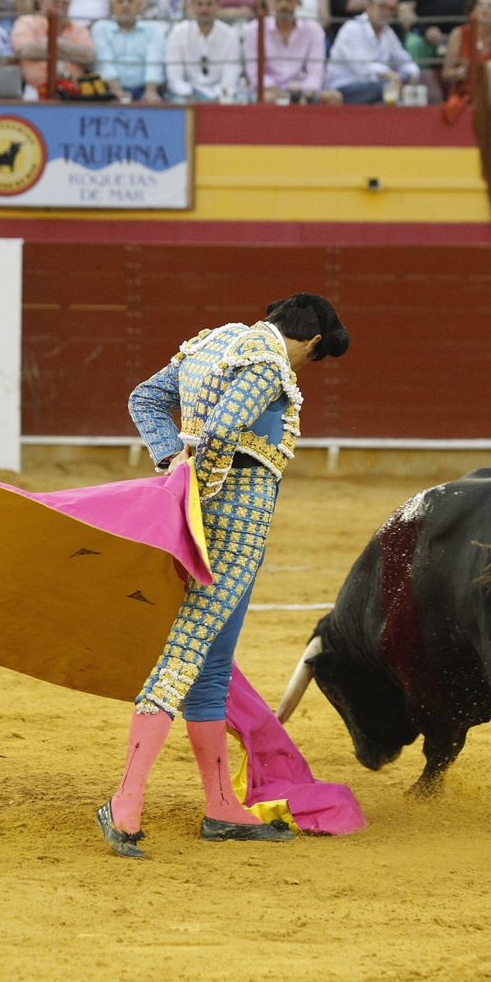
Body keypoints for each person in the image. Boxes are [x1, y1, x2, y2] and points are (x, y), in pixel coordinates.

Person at [98, 293, 350, 860]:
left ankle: (221, 808)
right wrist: (196, 491)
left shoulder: (210, 342)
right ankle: (124, 803)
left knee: (211, 664)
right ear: (311, 341)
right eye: (315, 356)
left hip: (201, 518)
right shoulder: (268, 364)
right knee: (185, 655)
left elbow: (146, 399)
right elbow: (219, 431)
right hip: (233, 527)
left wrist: (171, 466)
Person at [242, 0, 340, 101]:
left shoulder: (313, 30)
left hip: (304, 90)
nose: (284, 5)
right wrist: (277, 91)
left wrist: (302, 93)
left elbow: (316, 73)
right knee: (267, 98)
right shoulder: (255, 29)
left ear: (298, 1)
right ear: (272, 1)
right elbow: (254, 73)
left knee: (333, 97)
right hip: (269, 91)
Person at [327, 0, 420, 101]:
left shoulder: (388, 33)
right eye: (382, 6)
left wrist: (412, 74)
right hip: (344, 87)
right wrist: (390, 74)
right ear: (369, 6)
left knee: (409, 91)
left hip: (375, 87)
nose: (386, 12)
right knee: (387, 90)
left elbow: (404, 60)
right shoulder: (352, 28)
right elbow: (361, 66)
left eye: (391, 9)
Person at [163, 0, 242, 100]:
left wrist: (216, 96)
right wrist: (189, 94)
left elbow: (230, 76)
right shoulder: (178, 32)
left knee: (235, 99)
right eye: (199, 4)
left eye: (209, 4)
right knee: (177, 101)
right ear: (192, 5)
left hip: (220, 96)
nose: (204, 9)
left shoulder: (230, 35)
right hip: (186, 95)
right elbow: (174, 78)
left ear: (218, 5)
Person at [12, 0, 95, 92]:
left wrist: (57, 43)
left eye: (65, 3)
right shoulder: (27, 22)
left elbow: (89, 56)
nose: (60, 6)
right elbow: (26, 52)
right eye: (55, 2)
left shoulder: (78, 28)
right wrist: (70, 52)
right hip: (35, 89)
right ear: (41, 2)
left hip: (73, 90)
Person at [93, 0, 164, 99]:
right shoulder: (101, 28)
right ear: (112, 6)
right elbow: (104, 62)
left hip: (145, 88)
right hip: (110, 89)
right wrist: (117, 91)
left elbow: (154, 61)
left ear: (139, 5)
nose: (125, 5)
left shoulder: (154, 28)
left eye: (130, 1)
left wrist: (150, 91)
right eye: (120, 1)